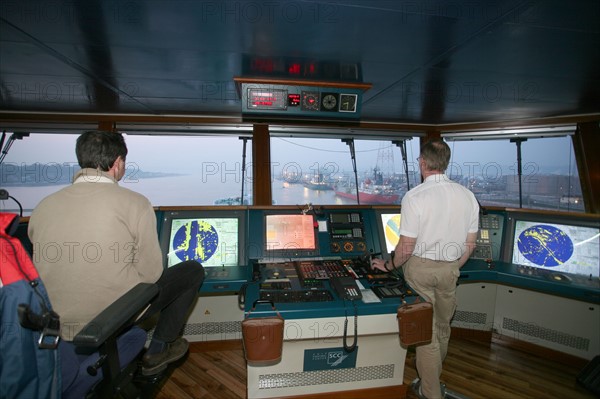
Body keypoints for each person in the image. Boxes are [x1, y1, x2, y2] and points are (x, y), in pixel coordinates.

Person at [28, 130, 205, 376]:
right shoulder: (136, 203)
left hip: (56, 320)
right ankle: (159, 348)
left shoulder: (43, 206)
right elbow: (151, 274)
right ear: (118, 163)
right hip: (111, 317)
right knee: (192, 270)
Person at [371, 138, 479, 399]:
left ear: (422, 163)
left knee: (425, 336)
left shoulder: (415, 196)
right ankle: (429, 379)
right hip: (451, 269)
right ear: (445, 162)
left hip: (420, 269)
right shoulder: (468, 196)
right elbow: (471, 244)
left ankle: (430, 393)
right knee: (442, 327)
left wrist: (387, 265)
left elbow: (406, 247)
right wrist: (451, 265)